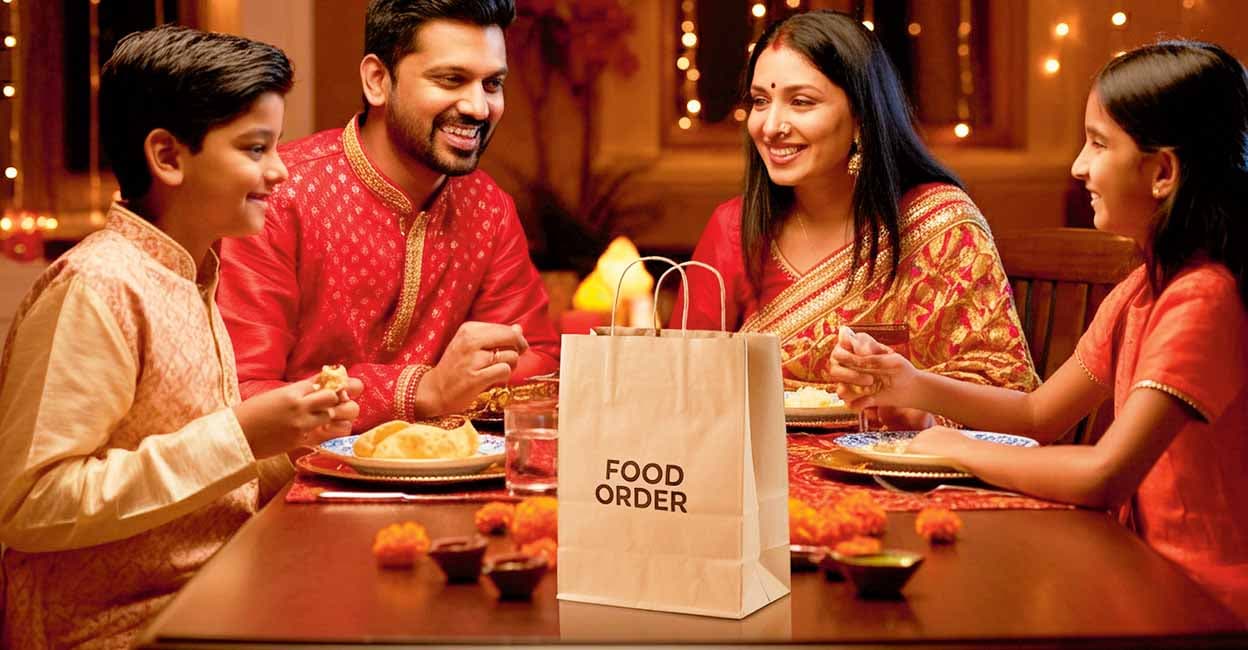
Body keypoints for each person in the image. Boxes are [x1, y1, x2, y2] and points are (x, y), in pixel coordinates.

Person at [832, 41, 1248, 621]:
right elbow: (1038, 416)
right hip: (1136, 568)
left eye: (1098, 144)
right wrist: (911, 385)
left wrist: (959, 447)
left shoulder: (1203, 299)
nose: (1078, 166)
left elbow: (1103, 475)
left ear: (1163, 172)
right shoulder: (1141, 289)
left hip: (1199, 600)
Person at [0, 26, 363, 648]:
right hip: (115, 629)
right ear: (167, 156)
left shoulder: (190, 271)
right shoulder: (98, 286)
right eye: (255, 148)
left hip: (214, 602)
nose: (280, 172)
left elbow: (201, 470)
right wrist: (244, 435)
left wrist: (307, 441)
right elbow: (32, 505)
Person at [671, 10, 1037, 428]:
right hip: (755, 475)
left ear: (862, 115)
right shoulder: (734, 228)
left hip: (911, 472)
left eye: (801, 102)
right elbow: (684, 384)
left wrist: (917, 410)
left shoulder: (939, 225)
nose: (770, 126)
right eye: (759, 101)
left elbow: (1008, 391)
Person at [217, 0, 559, 432]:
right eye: (451, 79)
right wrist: (422, 391)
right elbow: (242, 393)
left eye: (492, 84)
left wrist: (463, 386)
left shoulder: (487, 208)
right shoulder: (280, 197)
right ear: (378, 80)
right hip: (297, 489)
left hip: (453, 481)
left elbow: (538, 363)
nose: (478, 107)